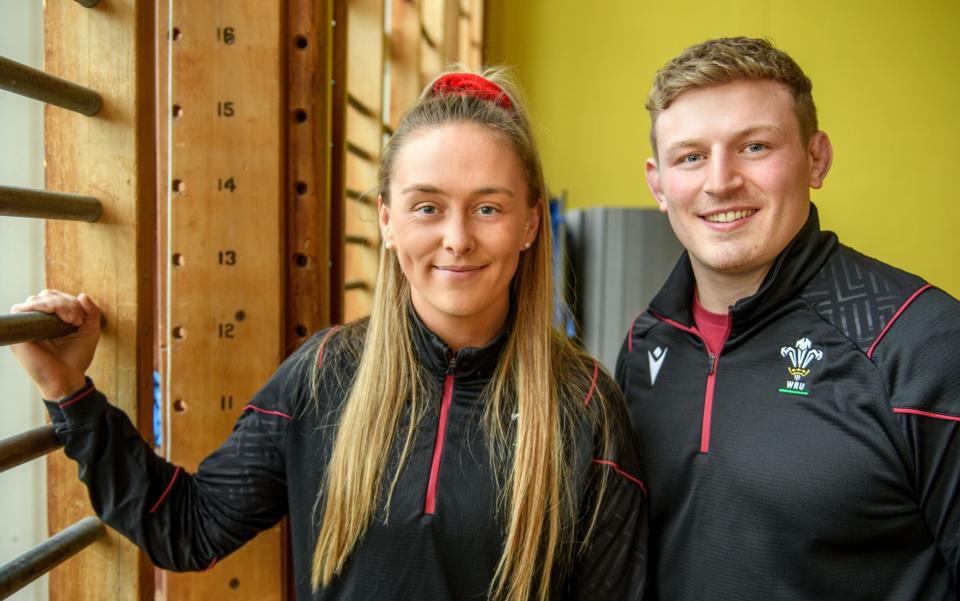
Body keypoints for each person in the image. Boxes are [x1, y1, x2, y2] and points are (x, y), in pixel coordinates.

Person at [11, 70, 647, 600]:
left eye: (488, 207)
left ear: (531, 223)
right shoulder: (323, 375)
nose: (457, 238)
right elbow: (188, 528)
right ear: (388, 220)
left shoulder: (585, 405)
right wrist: (71, 395)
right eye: (428, 206)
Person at [616, 37, 959, 600]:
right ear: (659, 183)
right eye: (691, 156)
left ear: (816, 158)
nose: (720, 181)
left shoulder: (924, 346)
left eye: (754, 146)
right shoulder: (645, 345)